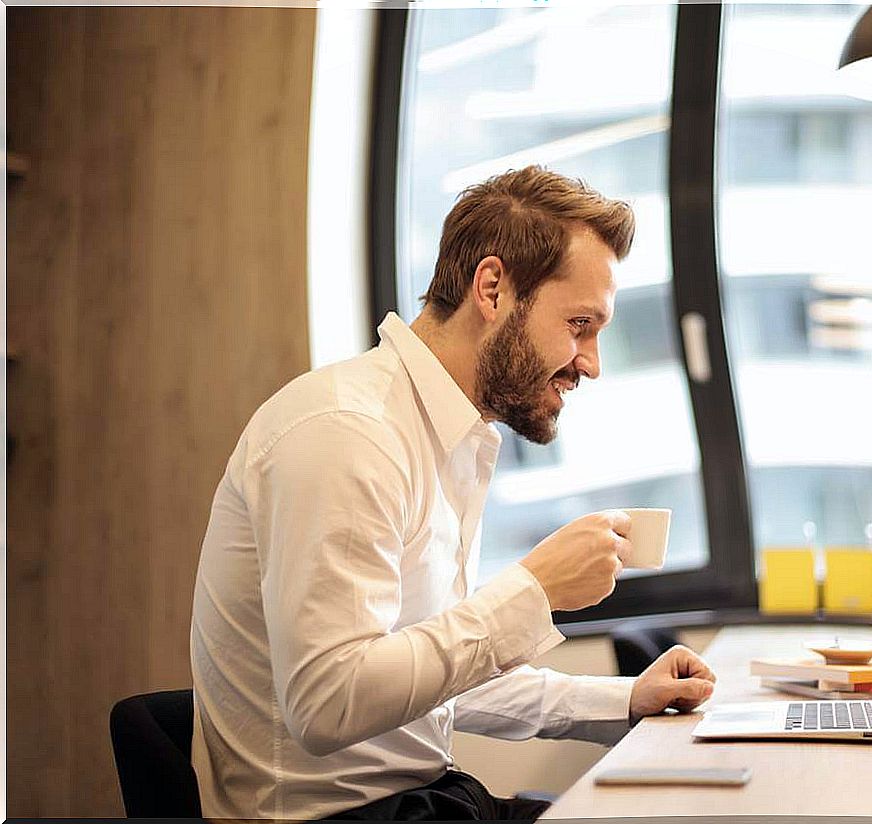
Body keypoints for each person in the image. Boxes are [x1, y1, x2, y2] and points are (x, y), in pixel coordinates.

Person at [190, 166, 717, 821]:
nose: (592, 362)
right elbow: (328, 705)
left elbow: (432, 679)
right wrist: (533, 590)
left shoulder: (450, 437)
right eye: (580, 323)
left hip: (421, 801)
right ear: (492, 288)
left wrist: (624, 700)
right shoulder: (348, 433)